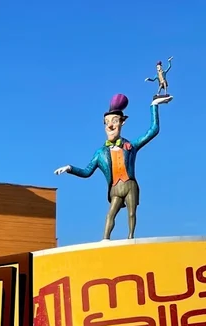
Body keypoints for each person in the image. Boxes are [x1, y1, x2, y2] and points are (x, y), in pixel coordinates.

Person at [54, 94, 162, 240]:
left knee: (131, 213)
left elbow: (153, 130)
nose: (110, 125)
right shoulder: (101, 153)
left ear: (122, 122)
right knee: (110, 214)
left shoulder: (130, 146)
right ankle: (105, 239)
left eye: (115, 121)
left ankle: (131, 237)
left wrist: (154, 105)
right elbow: (87, 172)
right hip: (115, 189)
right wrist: (69, 168)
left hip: (129, 185)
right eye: (107, 122)